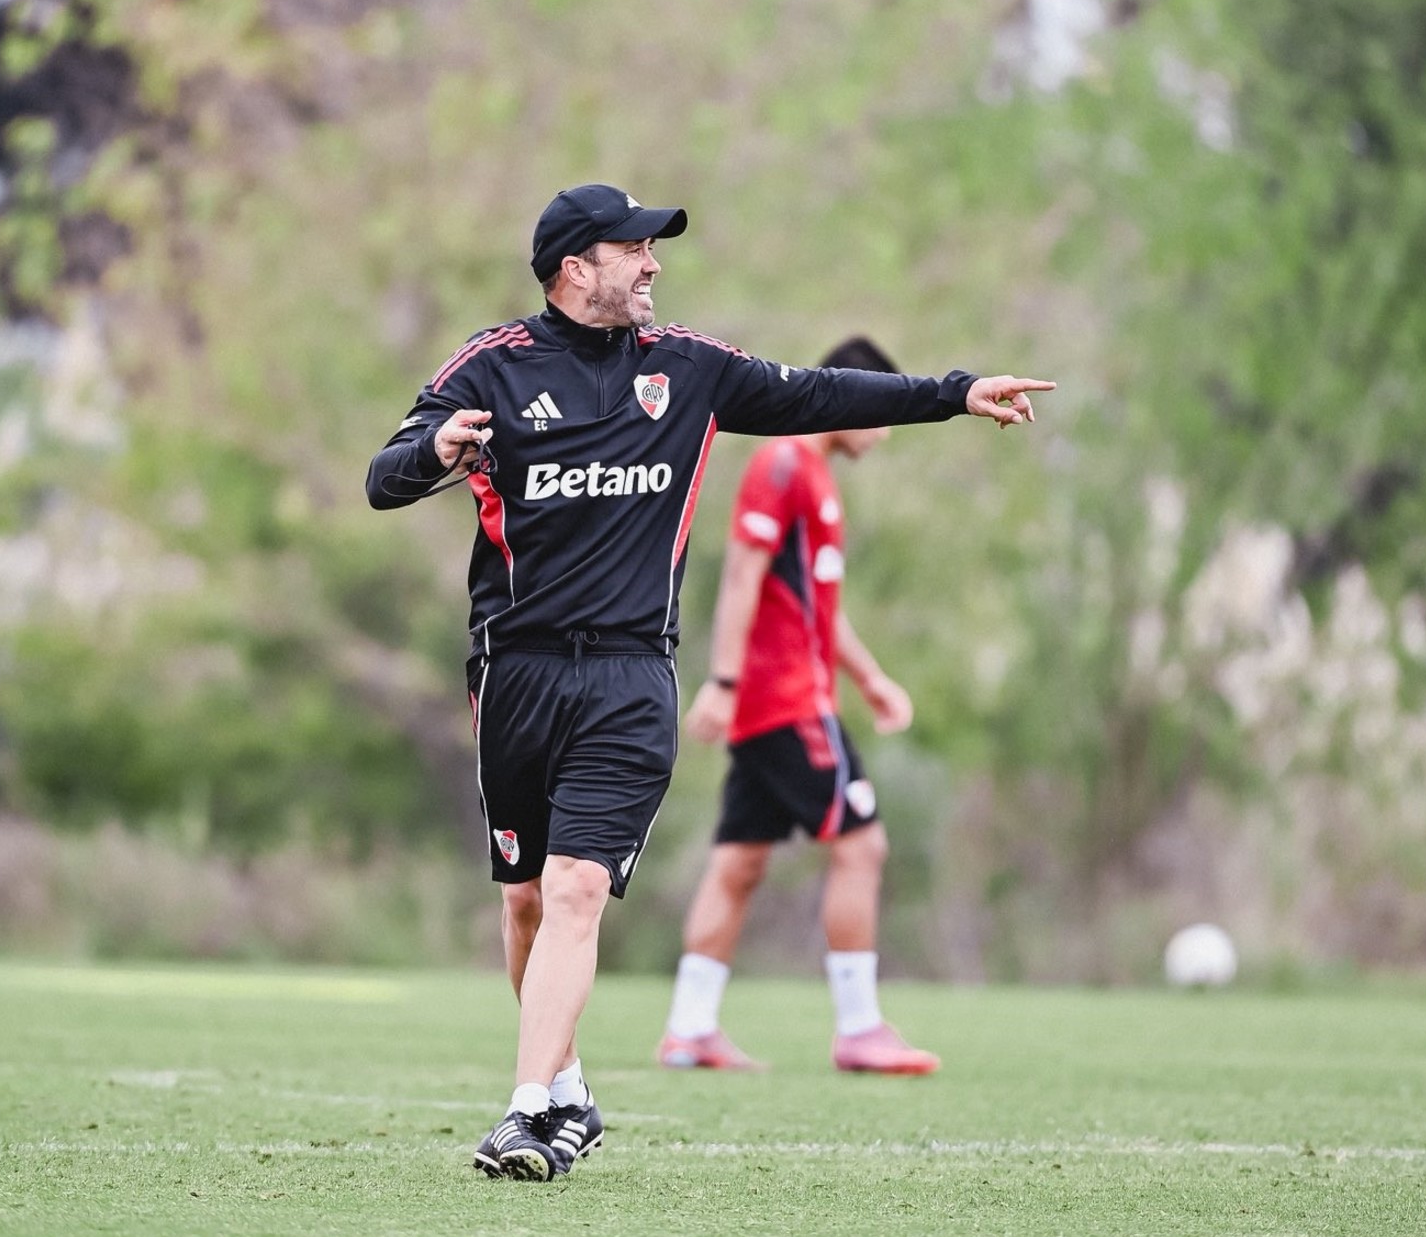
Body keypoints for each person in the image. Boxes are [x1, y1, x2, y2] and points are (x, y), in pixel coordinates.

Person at [366, 184, 1052, 1180]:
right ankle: (568, 1091)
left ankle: (524, 1111)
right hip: (513, 674)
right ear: (573, 268)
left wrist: (953, 392)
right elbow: (383, 477)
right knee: (523, 903)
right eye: (632, 248)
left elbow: (820, 393)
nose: (652, 263)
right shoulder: (491, 367)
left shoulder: (688, 369)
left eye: (654, 247)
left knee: (575, 886)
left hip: (628, 678)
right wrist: (435, 449)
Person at [658, 336, 939, 1076]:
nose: (885, 431)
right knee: (862, 845)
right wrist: (722, 682)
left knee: (740, 861)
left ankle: (689, 1029)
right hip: (786, 700)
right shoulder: (783, 464)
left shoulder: (816, 478)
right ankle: (860, 1027)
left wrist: (870, 679)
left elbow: (817, 608)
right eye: (882, 411)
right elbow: (741, 577)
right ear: (852, 396)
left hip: (778, 701)